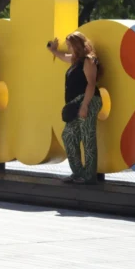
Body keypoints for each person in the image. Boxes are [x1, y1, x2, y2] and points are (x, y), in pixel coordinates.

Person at [47, 32, 103, 185]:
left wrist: (85, 105)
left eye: (70, 45)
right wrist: (53, 50)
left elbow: (91, 84)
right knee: (68, 136)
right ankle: (78, 173)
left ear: (77, 45)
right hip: (75, 103)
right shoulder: (74, 60)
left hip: (88, 101)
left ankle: (89, 176)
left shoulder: (88, 60)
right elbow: (62, 56)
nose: (68, 48)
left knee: (87, 138)